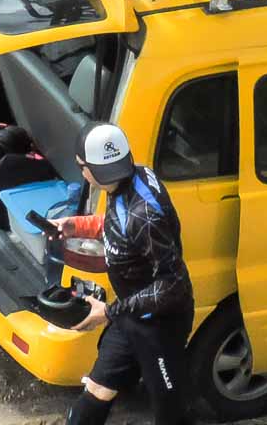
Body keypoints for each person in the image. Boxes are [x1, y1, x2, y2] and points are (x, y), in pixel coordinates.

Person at [46, 123, 193, 425]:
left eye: (81, 166)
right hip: (129, 316)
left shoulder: (145, 216)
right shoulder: (125, 181)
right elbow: (116, 224)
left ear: (95, 170)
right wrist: (75, 226)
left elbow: (172, 285)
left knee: (169, 413)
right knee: (97, 390)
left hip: (160, 327)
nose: (81, 172)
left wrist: (108, 312)